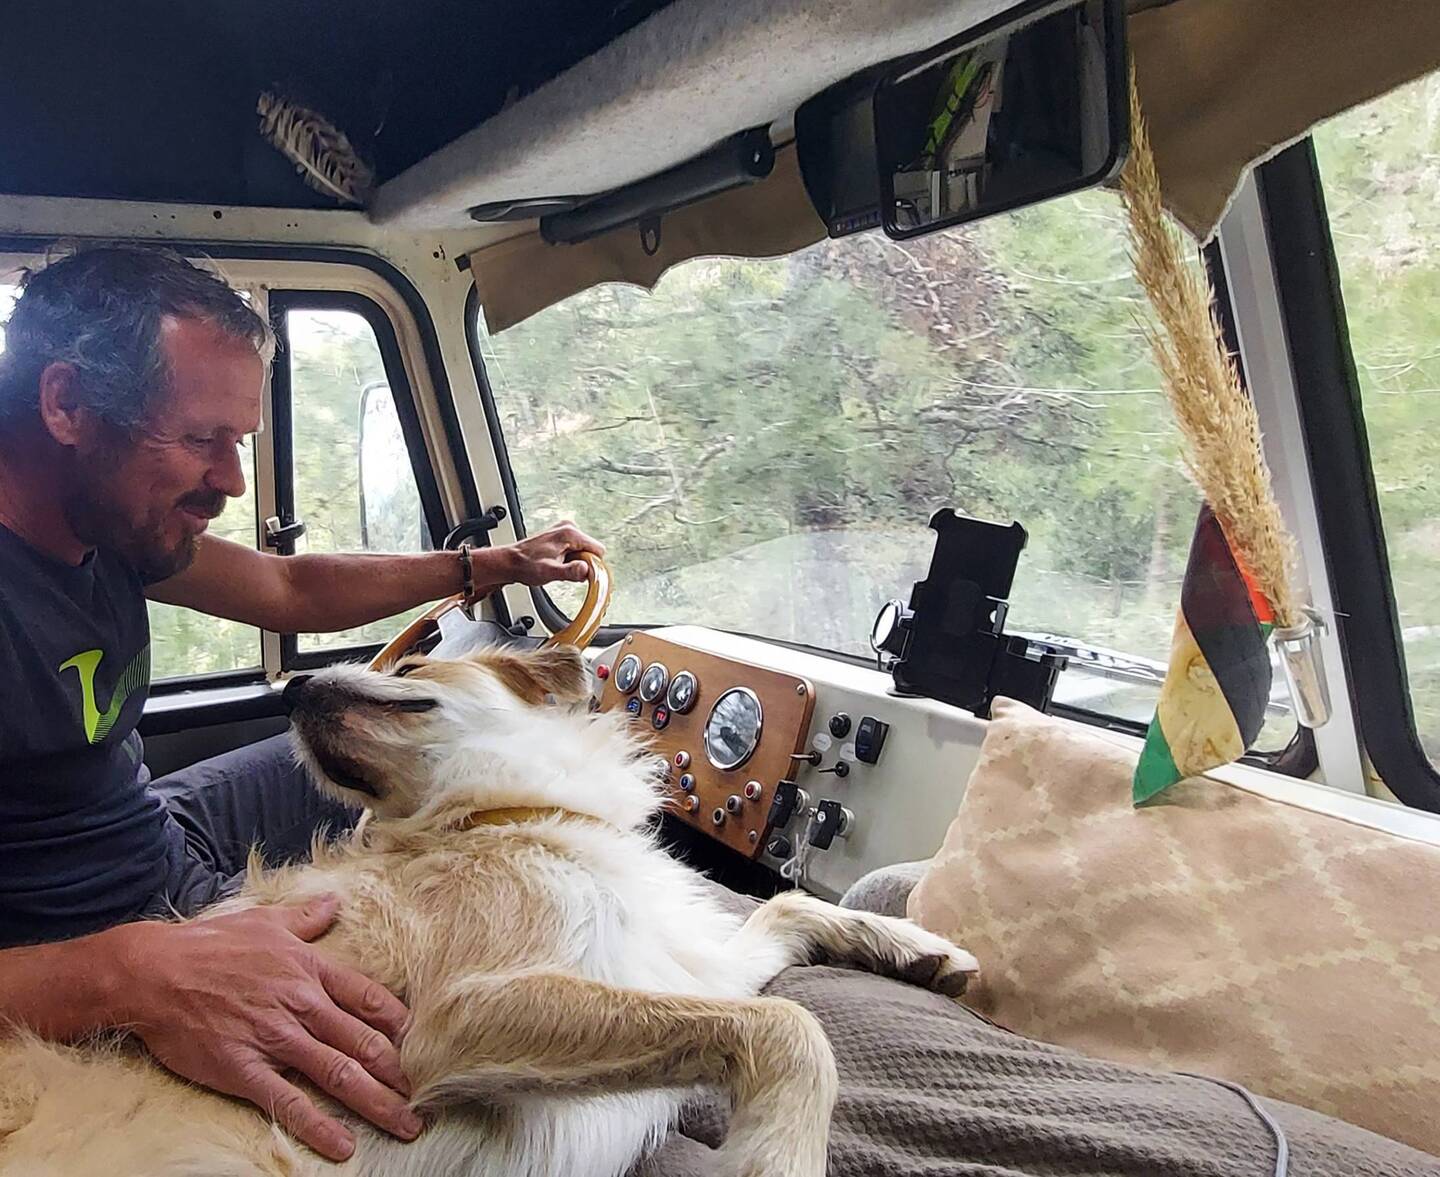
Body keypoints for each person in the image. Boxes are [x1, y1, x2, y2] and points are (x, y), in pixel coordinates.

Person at [0, 245, 603, 1161]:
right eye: (201, 439)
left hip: (153, 829)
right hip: (86, 928)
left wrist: (492, 564)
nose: (233, 481)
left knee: (421, 747)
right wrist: (129, 972)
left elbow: (289, 588)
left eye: (239, 442)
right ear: (68, 405)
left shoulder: (106, 523)